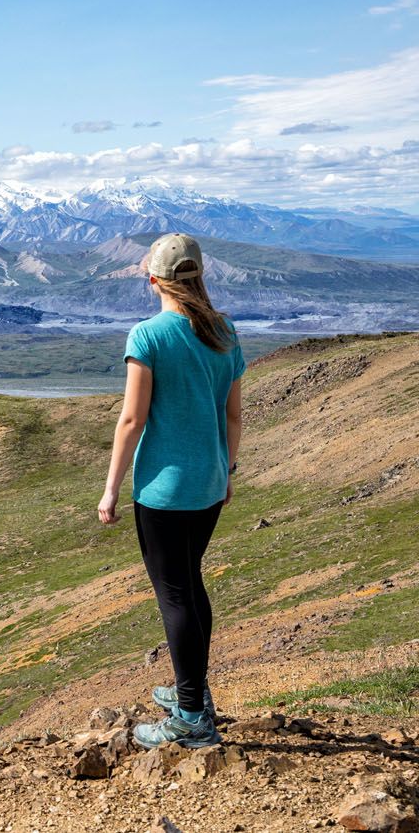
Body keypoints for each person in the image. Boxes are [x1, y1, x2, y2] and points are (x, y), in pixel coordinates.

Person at [97, 232, 245, 749]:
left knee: (175, 595)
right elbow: (233, 414)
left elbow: (132, 419)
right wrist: (226, 471)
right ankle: (194, 694)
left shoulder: (149, 336)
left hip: (163, 490)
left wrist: (111, 489)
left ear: (153, 279)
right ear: (199, 275)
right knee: (190, 584)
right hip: (208, 484)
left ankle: (191, 718)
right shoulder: (224, 332)